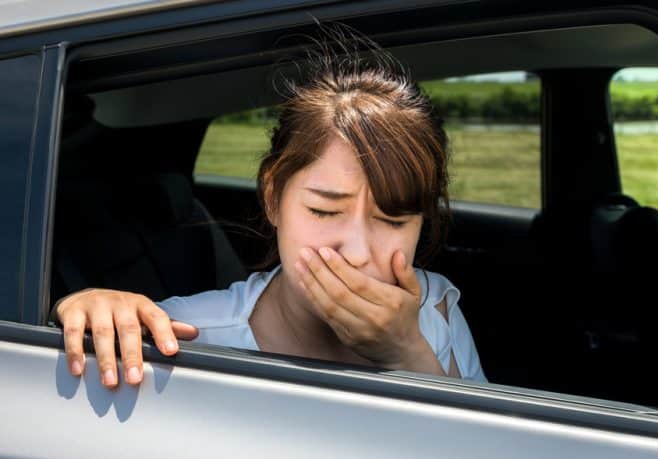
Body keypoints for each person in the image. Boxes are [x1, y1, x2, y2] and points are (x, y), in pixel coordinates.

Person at [54, 28, 486, 388]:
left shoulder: (436, 312)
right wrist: (86, 306)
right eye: (323, 211)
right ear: (273, 197)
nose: (356, 253)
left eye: (393, 220)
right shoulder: (181, 335)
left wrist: (408, 352)